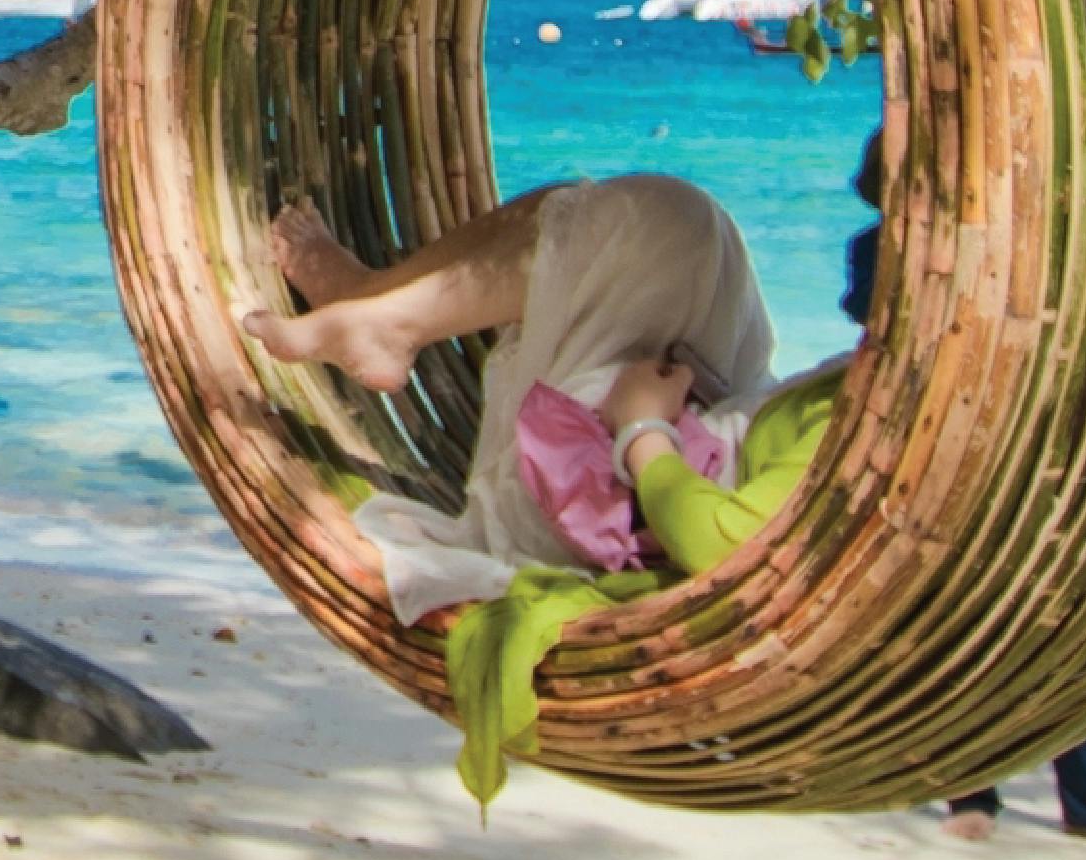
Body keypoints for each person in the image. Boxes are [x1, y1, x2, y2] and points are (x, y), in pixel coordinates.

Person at [240, 174, 781, 620]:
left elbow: (717, 547)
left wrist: (643, 429)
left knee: (655, 221)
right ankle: (375, 300)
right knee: (618, 213)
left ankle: (386, 323)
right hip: (697, 430)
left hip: (599, 503)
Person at [833, 130, 1086, 857]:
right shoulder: (875, 247)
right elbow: (873, 335)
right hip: (930, 448)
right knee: (953, 630)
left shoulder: (1012, 249)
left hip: (1023, 445)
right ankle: (974, 793)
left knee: (1058, 624)